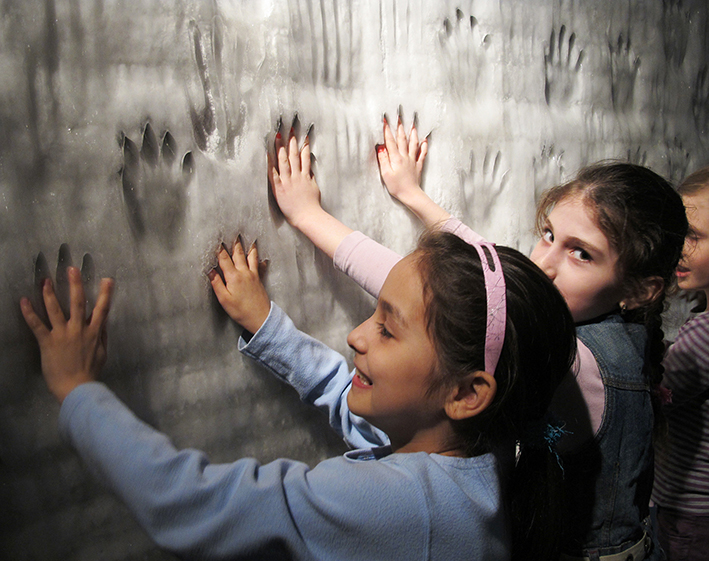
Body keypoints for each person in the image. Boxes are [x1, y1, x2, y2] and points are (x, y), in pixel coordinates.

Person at [268, 116, 689, 560]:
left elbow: (445, 298)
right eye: (548, 235)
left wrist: (308, 215)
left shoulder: (580, 363)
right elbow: (488, 272)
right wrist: (414, 197)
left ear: (641, 290)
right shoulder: (622, 332)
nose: (544, 263)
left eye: (581, 254)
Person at [20, 223, 576, 558]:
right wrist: (266, 325)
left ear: (467, 393)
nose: (356, 336)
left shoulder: (395, 507)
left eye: (387, 327)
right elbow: (351, 400)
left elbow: (194, 505)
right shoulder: (478, 454)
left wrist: (78, 390)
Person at [652, 166, 709, 560]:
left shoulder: (704, 336)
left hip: (687, 517)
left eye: (695, 235)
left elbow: (654, 398)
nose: (680, 248)